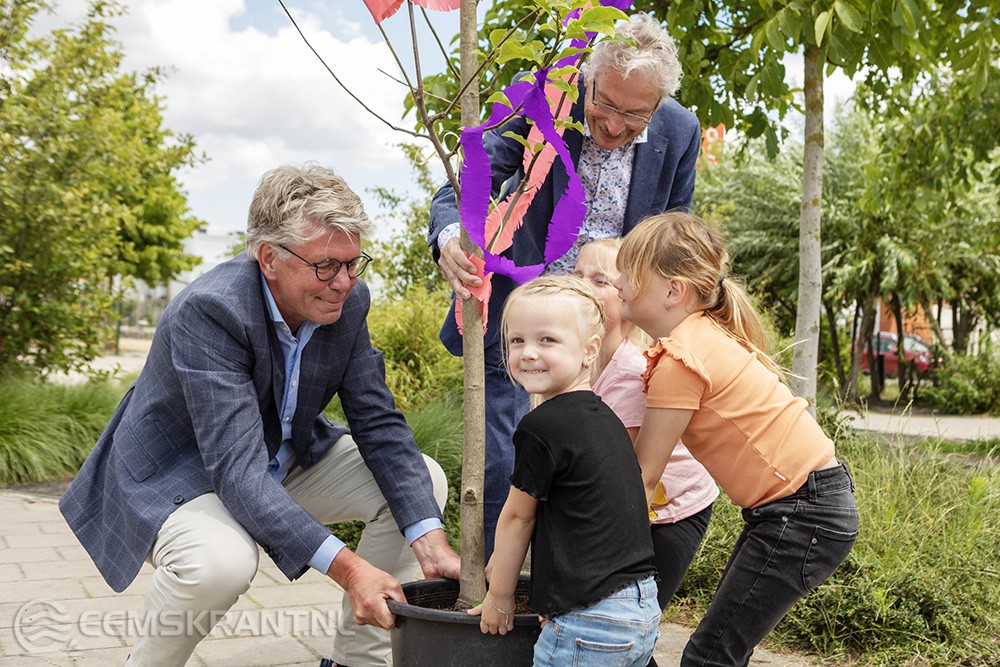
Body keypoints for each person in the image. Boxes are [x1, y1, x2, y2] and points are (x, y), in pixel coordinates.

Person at [59, 164, 461, 667]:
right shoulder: (210, 310)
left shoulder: (349, 301)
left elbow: (378, 423)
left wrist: (432, 545)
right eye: (326, 266)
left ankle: (357, 663)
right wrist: (352, 570)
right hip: (186, 475)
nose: (343, 282)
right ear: (269, 258)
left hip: (277, 458)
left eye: (353, 263)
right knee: (221, 564)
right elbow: (236, 472)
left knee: (423, 481)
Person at [428, 13, 702, 558]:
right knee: (504, 450)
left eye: (635, 114)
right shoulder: (542, 96)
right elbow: (467, 180)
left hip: (613, 324)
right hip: (521, 306)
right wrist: (454, 236)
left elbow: (674, 236)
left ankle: (565, 589)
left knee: (590, 458)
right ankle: (483, 581)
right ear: (588, 79)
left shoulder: (679, 130)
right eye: (606, 105)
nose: (615, 124)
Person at [614, 212, 859, 666]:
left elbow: (643, 478)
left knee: (711, 655)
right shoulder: (700, 334)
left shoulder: (681, 359)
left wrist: (604, 561)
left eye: (629, 270)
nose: (616, 280)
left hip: (803, 511)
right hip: (800, 505)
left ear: (673, 290)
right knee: (722, 650)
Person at [468, 275, 659, 667]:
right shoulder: (606, 417)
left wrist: (501, 597)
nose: (528, 353)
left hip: (592, 619)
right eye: (517, 340)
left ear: (590, 350)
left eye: (547, 340)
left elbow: (519, 517)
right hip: (640, 606)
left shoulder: (543, 427)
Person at [573, 238, 718, 663]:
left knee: (625, 626)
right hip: (629, 504)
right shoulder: (572, 365)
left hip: (671, 511)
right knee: (618, 631)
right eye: (577, 273)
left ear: (624, 295)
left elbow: (628, 482)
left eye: (600, 279)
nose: (583, 285)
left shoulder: (632, 376)